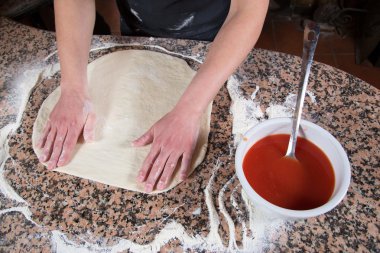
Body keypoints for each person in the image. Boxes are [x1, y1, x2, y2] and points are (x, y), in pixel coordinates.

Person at [37, 0, 269, 192]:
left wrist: (188, 111)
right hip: (137, 27)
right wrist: (73, 89)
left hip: (216, 38)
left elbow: (246, 11)